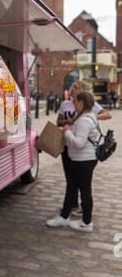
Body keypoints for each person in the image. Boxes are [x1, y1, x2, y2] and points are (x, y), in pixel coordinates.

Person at [46, 91, 100, 232]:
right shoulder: (90, 117)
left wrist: (67, 131)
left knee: (84, 192)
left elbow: (79, 143)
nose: (73, 104)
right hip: (83, 160)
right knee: (72, 189)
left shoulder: (83, 120)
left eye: (75, 102)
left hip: (83, 160)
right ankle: (65, 217)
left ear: (82, 103)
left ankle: (86, 222)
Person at [56, 80, 111, 215]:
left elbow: (108, 114)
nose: (72, 89)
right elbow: (58, 121)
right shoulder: (65, 104)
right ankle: (72, 204)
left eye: (76, 87)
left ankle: (80, 210)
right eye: (72, 86)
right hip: (67, 144)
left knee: (81, 181)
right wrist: (69, 122)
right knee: (69, 177)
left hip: (82, 149)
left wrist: (88, 116)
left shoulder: (87, 105)